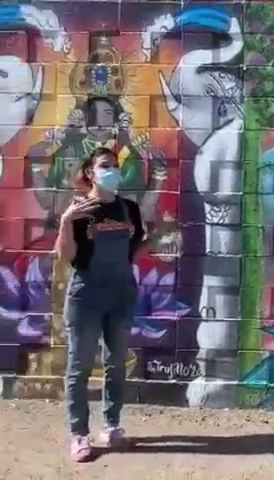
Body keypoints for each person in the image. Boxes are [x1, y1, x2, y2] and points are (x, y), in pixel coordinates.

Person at [55, 147, 148, 462]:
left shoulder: (129, 209)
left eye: (115, 166)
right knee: (79, 365)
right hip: (87, 294)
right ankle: (79, 434)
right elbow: (66, 256)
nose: (112, 171)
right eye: (104, 166)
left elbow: (131, 252)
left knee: (117, 362)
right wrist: (67, 221)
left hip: (121, 292)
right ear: (90, 173)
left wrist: (158, 237)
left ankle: (112, 425)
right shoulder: (80, 210)